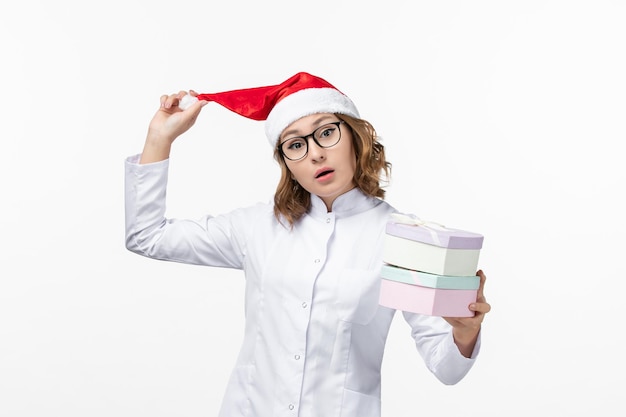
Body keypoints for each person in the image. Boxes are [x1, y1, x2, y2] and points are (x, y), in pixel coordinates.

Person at [125, 72, 491, 417]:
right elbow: (147, 236)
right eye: (295, 145)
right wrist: (160, 138)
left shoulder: (402, 240)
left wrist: (465, 330)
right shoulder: (257, 227)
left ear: (355, 138)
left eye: (326, 133)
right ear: (287, 163)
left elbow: (447, 369)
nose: (315, 153)